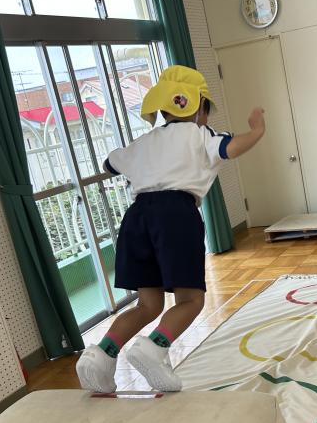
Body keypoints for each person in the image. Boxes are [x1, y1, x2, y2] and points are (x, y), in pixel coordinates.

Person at [76, 65, 266, 393]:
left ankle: (101, 355)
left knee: (148, 305)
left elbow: (110, 163)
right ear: (201, 106)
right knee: (191, 300)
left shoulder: (145, 140)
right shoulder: (201, 135)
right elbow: (231, 148)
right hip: (176, 214)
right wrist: (257, 130)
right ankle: (154, 348)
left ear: (163, 108)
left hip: (137, 218)